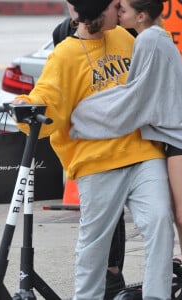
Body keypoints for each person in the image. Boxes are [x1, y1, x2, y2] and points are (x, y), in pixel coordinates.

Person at [13, 0, 175, 299]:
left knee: (160, 222)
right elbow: (48, 99)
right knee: (94, 245)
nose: (121, 9)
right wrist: (25, 107)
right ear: (100, 14)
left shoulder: (125, 38)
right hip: (95, 162)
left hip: (142, 153)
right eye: (115, 6)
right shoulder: (64, 56)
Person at [70, 0, 182, 299]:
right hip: (175, 133)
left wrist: (86, 114)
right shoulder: (156, 36)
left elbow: (137, 95)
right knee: (176, 217)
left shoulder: (148, 38)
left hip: (180, 136)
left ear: (141, 15)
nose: (118, 13)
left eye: (124, 9)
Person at [52, 2, 127, 298]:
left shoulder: (124, 27)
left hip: (129, 130)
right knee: (104, 207)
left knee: (155, 213)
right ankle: (110, 272)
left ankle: (115, 273)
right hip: (92, 141)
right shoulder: (62, 35)